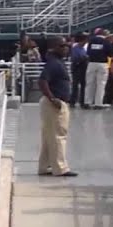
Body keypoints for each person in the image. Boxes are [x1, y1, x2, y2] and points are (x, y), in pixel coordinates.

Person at [37, 36, 78, 177]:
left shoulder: (57, 61)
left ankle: (45, 166)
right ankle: (61, 168)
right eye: (62, 46)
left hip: (54, 103)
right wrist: (52, 98)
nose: (66, 48)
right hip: (55, 104)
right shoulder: (53, 63)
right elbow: (42, 81)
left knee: (49, 136)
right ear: (53, 47)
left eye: (67, 45)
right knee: (59, 136)